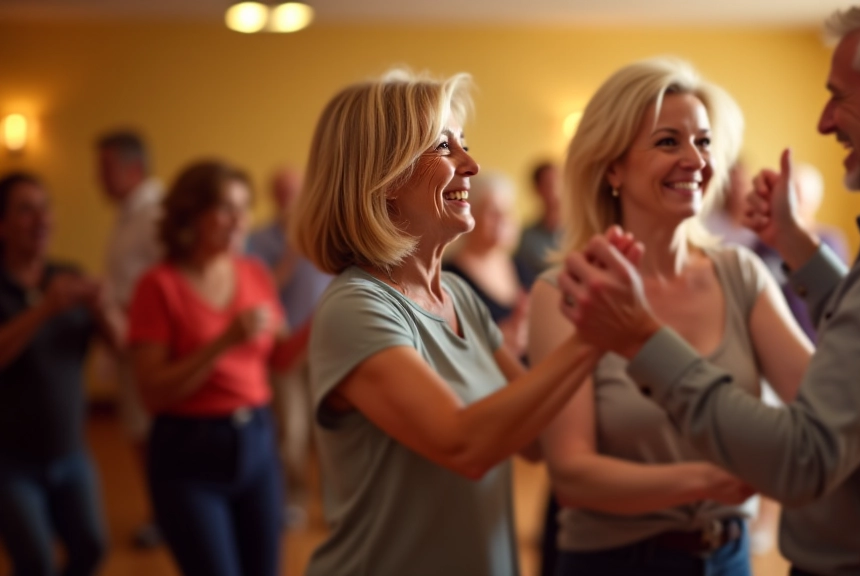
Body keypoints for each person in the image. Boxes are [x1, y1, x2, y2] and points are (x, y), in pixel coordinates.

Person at [554, 1, 860, 574]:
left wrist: (645, 340)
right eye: (668, 141)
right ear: (612, 168)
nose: (825, 121)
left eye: (838, 97)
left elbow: (807, 448)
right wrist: (799, 249)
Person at [291, 70, 609, 576]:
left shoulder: (457, 295)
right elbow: (463, 444)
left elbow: (530, 439)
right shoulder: (355, 307)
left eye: (465, 143)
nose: (472, 164)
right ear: (385, 177)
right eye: (445, 147)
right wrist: (591, 339)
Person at [528, 57, 813, 576]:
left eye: (703, 142)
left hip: (730, 555)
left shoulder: (740, 273)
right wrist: (711, 480)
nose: (694, 160)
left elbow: (822, 402)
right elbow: (572, 474)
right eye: (667, 142)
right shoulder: (566, 293)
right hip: (616, 563)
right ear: (612, 167)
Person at [128, 160, 309, 576]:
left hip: (258, 443)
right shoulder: (159, 286)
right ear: (190, 214)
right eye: (227, 208)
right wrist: (223, 342)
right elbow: (152, 392)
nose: (241, 220)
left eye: (245, 207)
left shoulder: (255, 273)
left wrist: (325, 318)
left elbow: (279, 358)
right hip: (188, 453)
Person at [0, 172, 115, 576]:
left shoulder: (67, 273)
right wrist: (44, 310)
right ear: (2, 225)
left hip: (71, 452)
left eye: (45, 207)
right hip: (10, 462)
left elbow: (120, 345)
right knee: (35, 561)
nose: (42, 219)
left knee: (93, 549)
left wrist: (104, 309)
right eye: (26, 210)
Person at [248, 166, 332, 528]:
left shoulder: (328, 230)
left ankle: (335, 504)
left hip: (326, 344)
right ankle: (295, 499)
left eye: (294, 191)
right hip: (283, 348)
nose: (289, 199)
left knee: (330, 430)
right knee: (291, 431)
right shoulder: (258, 239)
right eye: (281, 192)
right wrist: (292, 254)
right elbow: (258, 285)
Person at [95, 129, 164, 549]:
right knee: (139, 432)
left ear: (132, 168)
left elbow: (168, 283)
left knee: (151, 433)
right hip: (127, 340)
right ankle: (159, 510)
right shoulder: (129, 214)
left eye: (104, 169)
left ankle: (166, 513)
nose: (97, 179)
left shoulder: (154, 214)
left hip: (146, 344)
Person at [750, 162, 848, 341]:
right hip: (771, 338)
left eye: (799, 195)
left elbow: (839, 299)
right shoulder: (764, 241)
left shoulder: (829, 240)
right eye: (789, 194)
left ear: (814, 201)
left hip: (816, 338)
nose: (792, 202)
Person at [443, 171, 530, 358]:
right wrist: (495, 345)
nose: (503, 218)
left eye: (508, 209)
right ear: (467, 215)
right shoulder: (447, 277)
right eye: (492, 210)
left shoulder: (521, 267)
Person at [514, 161, 562, 289]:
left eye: (561, 182)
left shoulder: (581, 230)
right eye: (549, 184)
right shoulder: (526, 237)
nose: (557, 189)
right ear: (537, 189)